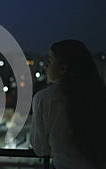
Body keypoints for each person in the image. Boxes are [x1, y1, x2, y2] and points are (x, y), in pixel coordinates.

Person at [30, 39, 106, 169]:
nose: (46, 66)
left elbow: (41, 149)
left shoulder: (45, 99)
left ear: (63, 68)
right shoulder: (99, 94)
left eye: (50, 61)